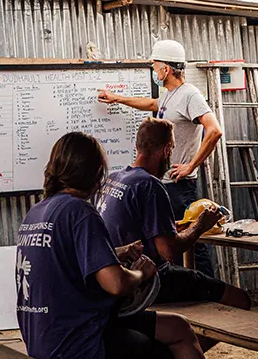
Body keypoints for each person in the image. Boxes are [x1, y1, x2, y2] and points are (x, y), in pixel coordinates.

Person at [16, 131, 211, 359]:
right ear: (97, 172)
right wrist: (142, 273)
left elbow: (65, 262)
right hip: (80, 346)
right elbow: (117, 284)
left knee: (178, 326)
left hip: (46, 340)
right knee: (168, 352)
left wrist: (115, 253)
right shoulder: (80, 212)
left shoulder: (36, 213)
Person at [97, 117, 250, 312]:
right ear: (167, 150)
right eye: (172, 149)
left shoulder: (113, 179)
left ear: (137, 146)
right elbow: (169, 251)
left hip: (115, 275)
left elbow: (131, 225)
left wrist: (177, 226)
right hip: (148, 279)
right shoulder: (150, 185)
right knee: (240, 298)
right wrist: (200, 226)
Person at [98, 39, 222, 276]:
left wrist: (190, 166)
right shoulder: (169, 95)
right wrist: (118, 99)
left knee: (188, 244)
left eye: (155, 66)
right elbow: (151, 104)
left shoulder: (190, 95)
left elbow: (214, 130)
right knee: (169, 244)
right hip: (163, 184)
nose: (154, 71)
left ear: (166, 69)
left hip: (178, 185)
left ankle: (205, 291)